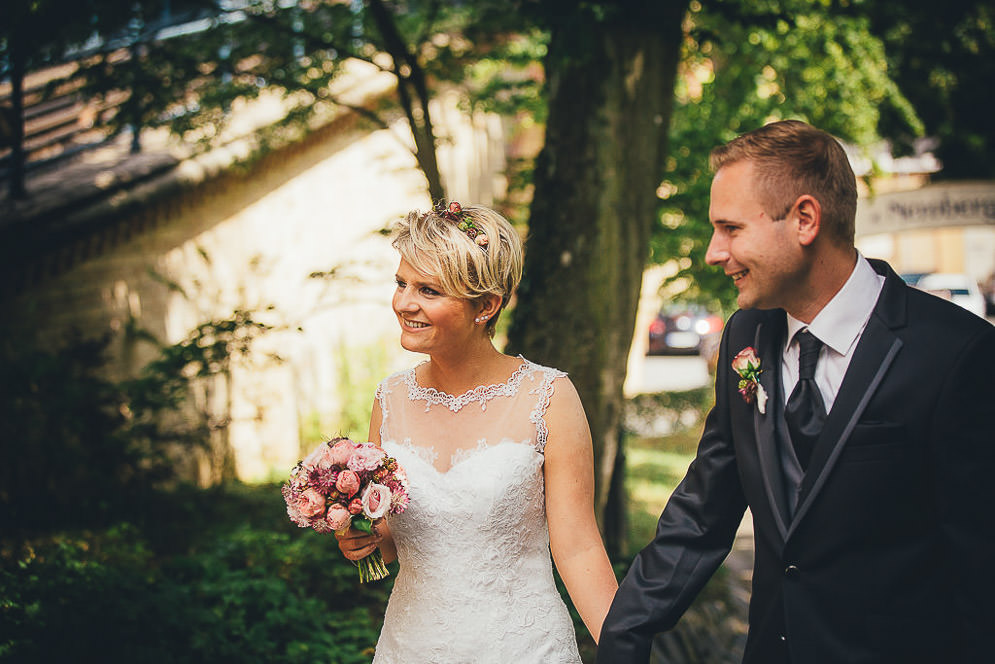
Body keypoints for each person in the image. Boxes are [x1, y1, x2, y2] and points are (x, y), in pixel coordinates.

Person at [598, 120, 995, 664]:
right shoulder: (745, 337)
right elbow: (701, 514)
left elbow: (980, 566)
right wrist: (621, 637)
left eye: (731, 229)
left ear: (805, 219)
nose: (714, 253)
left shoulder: (956, 354)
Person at [336, 201, 618, 662]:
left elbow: (579, 547)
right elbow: (388, 546)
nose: (405, 303)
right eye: (401, 283)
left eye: (428, 290)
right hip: (412, 646)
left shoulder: (549, 397)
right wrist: (359, 539)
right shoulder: (389, 401)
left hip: (524, 647)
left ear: (486, 306)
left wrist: (623, 649)